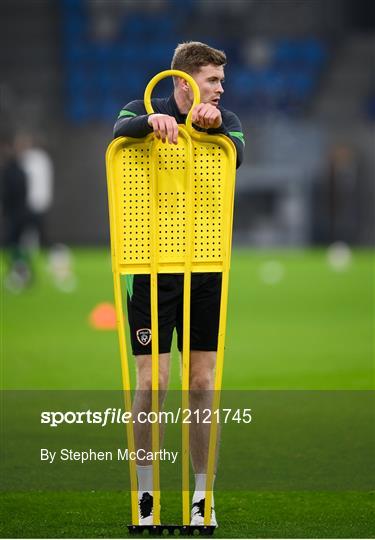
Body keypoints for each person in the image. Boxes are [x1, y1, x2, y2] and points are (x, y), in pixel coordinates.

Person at [113, 41, 244, 527]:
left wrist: (211, 133)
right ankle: (146, 497)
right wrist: (150, 123)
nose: (220, 88)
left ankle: (201, 498)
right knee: (153, 380)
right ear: (183, 81)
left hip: (205, 268)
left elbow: (239, 153)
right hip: (150, 268)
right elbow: (118, 131)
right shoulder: (141, 106)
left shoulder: (224, 119)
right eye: (212, 79)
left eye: (220, 80)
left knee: (202, 382)